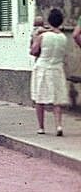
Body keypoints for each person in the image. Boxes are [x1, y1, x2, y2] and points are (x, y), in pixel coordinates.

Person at [30, 8, 69, 136]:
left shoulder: (43, 36)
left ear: (49, 21)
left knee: (39, 98)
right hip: (57, 68)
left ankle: (41, 127)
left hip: (42, 67)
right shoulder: (63, 37)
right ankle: (58, 125)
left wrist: (35, 37)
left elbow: (33, 51)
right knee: (56, 99)